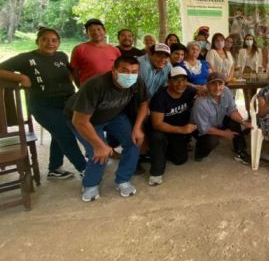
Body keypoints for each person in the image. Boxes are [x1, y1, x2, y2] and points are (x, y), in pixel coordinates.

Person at [0, 28, 86, 179]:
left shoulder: (61, 56)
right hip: (43, 104)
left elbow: (69, 74)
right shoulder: (26, 58)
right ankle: (85, 169)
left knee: (59, 134)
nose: (50, 43)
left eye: (54, 40)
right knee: (65, 134)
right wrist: (20, 78)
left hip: (67, 101)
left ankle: (54, 169)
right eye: (45, 39)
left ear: (59, 43)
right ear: (37, 41)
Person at [66, 55, 149, 202]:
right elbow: (79, 121)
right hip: (85, 120)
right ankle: (90, 184)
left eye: (134, 71)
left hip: (114, 114)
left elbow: (143, 103)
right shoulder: (95, 85)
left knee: (134, 141)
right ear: (113, 70)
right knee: (98, 152)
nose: (129, 75)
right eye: (124, 70)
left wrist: (137, 128)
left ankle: (123, 180)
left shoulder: (137, 82)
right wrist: (99, 145)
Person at [147, 67, 198, 186]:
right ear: (169, 81)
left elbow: (202, 91)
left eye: (184, 80)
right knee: (158, 138)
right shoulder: (160, 97)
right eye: (176, 80)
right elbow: (157, 124)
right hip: (161, 130)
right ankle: (156, 173)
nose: (180, 84)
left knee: (180, 160)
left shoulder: (189, 91)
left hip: (176, 132)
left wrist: (201, 90)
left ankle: (162, 150)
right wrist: (182, 130)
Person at [190, 72, 252, 164]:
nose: (217, 87)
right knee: (212, 141)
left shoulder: (226, 91)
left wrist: (244, 122)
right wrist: (224, 133)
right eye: (213, 84)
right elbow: (204, 128)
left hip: (218, 121)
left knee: (235, 122)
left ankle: (240, 151)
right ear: (207, 85)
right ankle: (200, 151)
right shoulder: (201, 103)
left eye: (220, 84)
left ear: (224, 84)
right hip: (199, 128)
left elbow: (232, 110)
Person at [69, 18, 121, 86]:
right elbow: (74, 72)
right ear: (87, 33)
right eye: (91, 30)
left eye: (99, 29)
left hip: (110, 89)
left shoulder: (115, 50)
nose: (96, 32)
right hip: (88, 89)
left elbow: (119, 70)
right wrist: (81, 88)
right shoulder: (79, 49)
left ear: (104, 31)